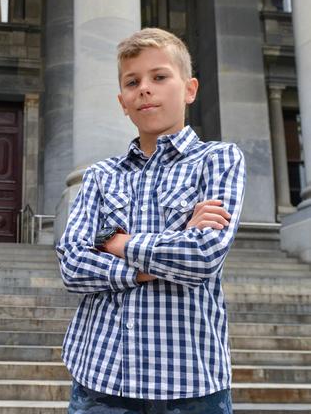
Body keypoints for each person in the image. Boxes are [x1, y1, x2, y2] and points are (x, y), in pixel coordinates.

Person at [57, 27, 245, 413]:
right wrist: (164, 252)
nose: (145, 88)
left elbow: (204, 256)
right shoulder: (99, 176)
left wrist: (118, 244)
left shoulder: (219, 160)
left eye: (159, 77)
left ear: (189, 89)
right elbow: (72, 265)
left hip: (192, 386)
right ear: (122, 101)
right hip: (100, 382)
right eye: (132, 81)